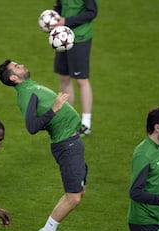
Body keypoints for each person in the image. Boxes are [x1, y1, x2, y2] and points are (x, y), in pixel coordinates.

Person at [0, 59, 88, 231]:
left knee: (79, 192)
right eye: (17, 66)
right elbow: (32, 126)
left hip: (72, 142)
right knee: (73, 197)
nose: (22, 65)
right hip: (66, 145)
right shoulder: (25, 94)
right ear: (14, 78)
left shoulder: (30, 86)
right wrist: (54, 108)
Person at [51, 0, 98, 135]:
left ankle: (86, 123)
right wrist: (52, 20)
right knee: (64, 77)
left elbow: (92, 12)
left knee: (81, 80)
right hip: (62, 36)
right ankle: (68, 119)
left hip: (79, 37)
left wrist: (67, 21)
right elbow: (59, 6)